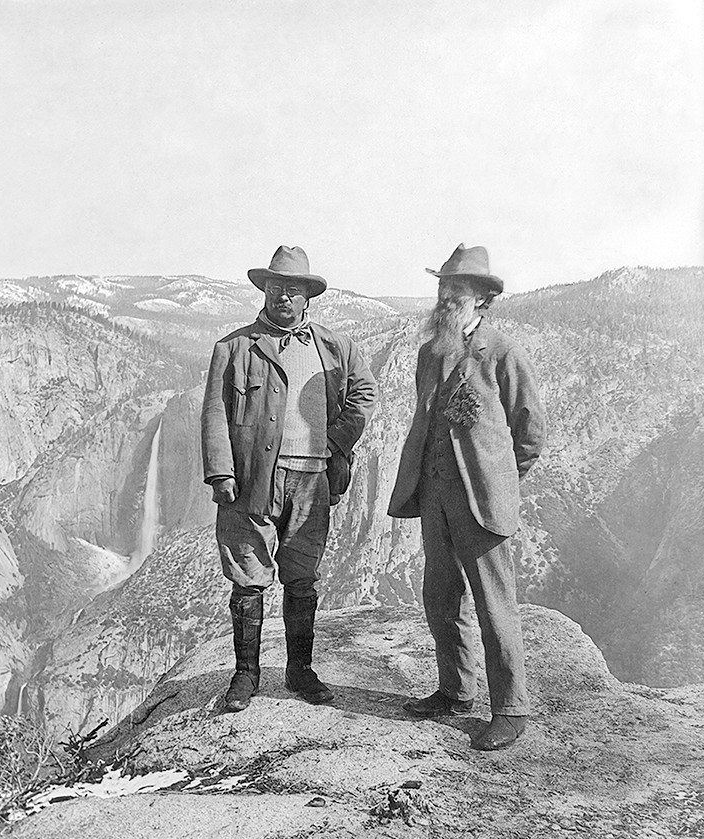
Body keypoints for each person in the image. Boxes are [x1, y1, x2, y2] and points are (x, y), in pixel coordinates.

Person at [201, 245, 377, 712]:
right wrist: (220, 471)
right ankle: (246, 676)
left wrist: (337, 442)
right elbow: (215, 413)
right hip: (253, 480)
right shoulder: (234, 348)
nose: (284, 297)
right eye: (276, 288)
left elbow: (365, 394)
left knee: (302, 580)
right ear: (265, 291)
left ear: (307, 297)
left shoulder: (335, 347)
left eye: (293, 290)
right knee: (248, 576)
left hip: (313, 479)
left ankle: (300, 671)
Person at [388, 244, 546, 751]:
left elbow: (530, 433)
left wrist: (498, 479)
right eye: (443, 287)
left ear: (482, 298)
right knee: (440, 596)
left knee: (494, 604)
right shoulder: (430, 352)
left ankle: (511, 708)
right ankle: (455, 691)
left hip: (481, 500)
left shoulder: (502, 352)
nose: (445, 296)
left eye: (456, 289)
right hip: (434, 495)